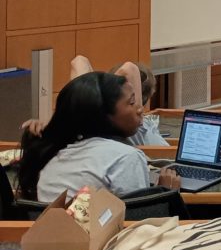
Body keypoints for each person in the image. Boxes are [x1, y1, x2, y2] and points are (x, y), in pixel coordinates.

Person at [18, 72, 179, 202]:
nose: (140, 108)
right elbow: (138, 223)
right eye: (131, 103)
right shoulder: (126, 157)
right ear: (104, 115)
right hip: (100, 241)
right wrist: (166, 193)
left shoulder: (55, 154)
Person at [21, 56, 167, 147]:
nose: (138, 110)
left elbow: (79, 61)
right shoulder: (134, 123)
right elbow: (129, 69)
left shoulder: (83, 126)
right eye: (131, 102)